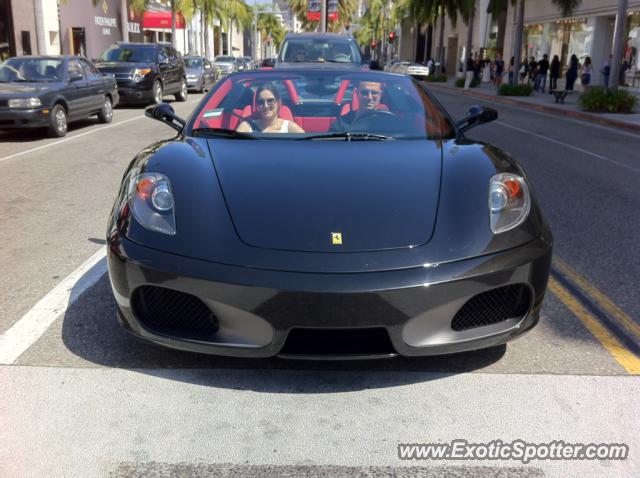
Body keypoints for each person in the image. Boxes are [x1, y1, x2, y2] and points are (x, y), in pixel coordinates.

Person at [237, 84, 305, 134]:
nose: (265, 106)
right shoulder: (247, 126)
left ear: (278, 102)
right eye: (261, 102)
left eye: (270, 100)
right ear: (257, 105)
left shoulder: (290, 127)